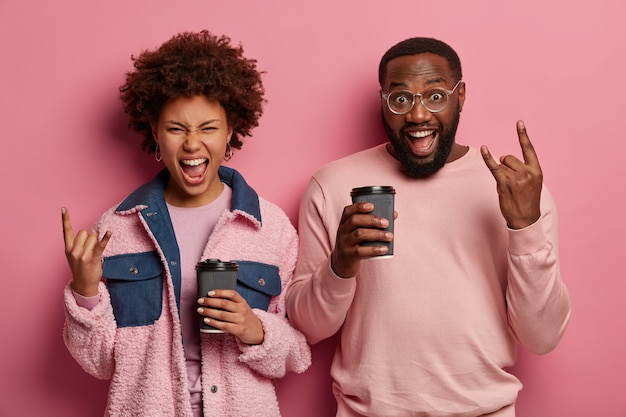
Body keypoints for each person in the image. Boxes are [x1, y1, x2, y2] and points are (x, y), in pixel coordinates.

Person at [286, 37, 571, 416]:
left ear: (461, 96)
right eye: (401, 99)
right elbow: (307, 327)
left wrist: (525, 227)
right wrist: (340, 267)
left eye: (435, 96)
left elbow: (543, 337)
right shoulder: (334, 185)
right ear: (383, 100)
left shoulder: (512, 191)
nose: (418, 115)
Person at [62, 30, 311, 417]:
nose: (192, 144)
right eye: (176, 129)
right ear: (155, 135)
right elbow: (99, 364)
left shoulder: (269, 226)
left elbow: (295, 353)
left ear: (231, 131)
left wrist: (255, 329)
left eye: (208, 127)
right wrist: (84, 290)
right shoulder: (118, 227)